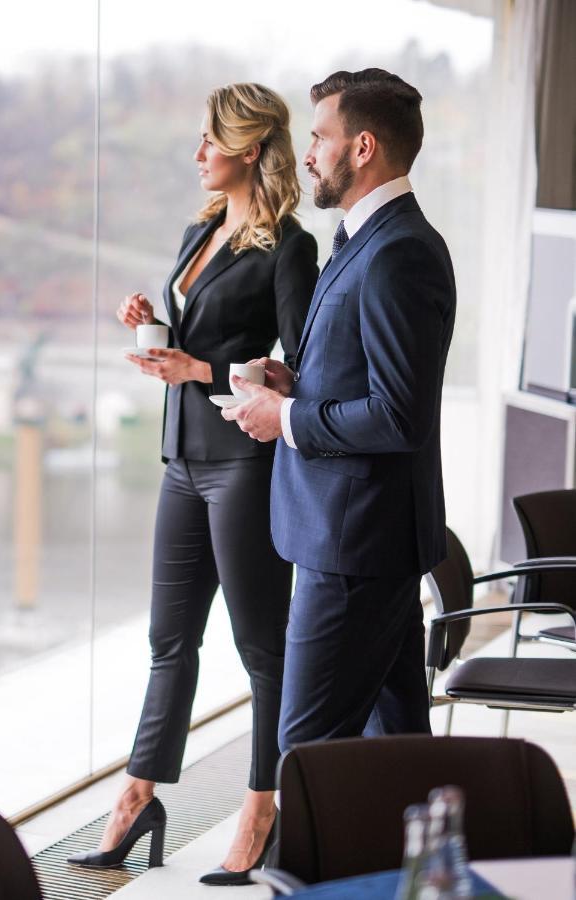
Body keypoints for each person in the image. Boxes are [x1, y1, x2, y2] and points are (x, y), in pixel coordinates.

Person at [67, 83, 317, 884]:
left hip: (245, 463)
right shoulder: (199, 230)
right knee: (168, 642)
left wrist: (198, 366)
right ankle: (138, 796)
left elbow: (302, 368)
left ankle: (262, 806)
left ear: (246, 149)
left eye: (208, 141)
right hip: (182, 461)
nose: (197, 154)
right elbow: (195, 334)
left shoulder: (289, 248)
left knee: (261, 650)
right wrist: (154, 321)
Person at [223, 68, 455, 753]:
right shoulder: (364, 241)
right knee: (398, 750)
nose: (306, 153)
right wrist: (294, 384)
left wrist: (286, 421)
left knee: (308, 759)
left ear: (362, 148)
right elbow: (373, 380)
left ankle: (306, 865)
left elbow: (398, 417)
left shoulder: (398, 252)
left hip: (353, 549)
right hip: (356, 540)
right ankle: (413, 861)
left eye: (319, 137)